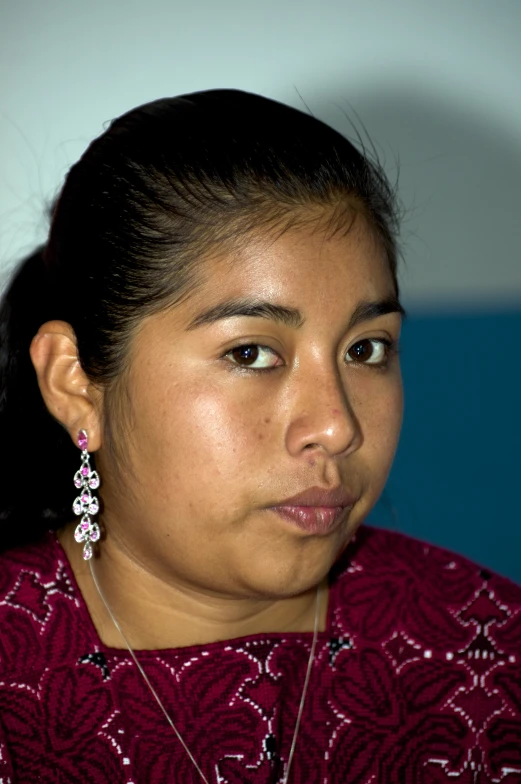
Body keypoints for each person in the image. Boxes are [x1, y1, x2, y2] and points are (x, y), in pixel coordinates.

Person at [0, 89, 519, 784]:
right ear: (74, 382)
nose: (336, 426)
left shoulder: (486, 651)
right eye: (250, 353)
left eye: (365, 349)